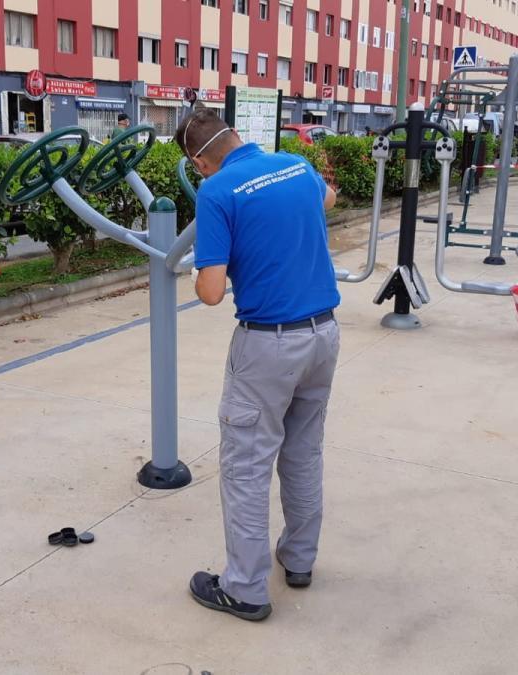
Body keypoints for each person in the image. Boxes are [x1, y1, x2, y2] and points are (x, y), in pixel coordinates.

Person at [176, 109, 340, 622]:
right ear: (238, 136)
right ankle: (298, 560)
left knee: (247, 468)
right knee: (303, 451)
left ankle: (245, 589)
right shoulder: (293, 165)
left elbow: (210, 292)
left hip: (269, 344)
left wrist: (205, 260)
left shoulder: (216, 192)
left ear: (199, 160)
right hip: (324, 335)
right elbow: (329, 198)